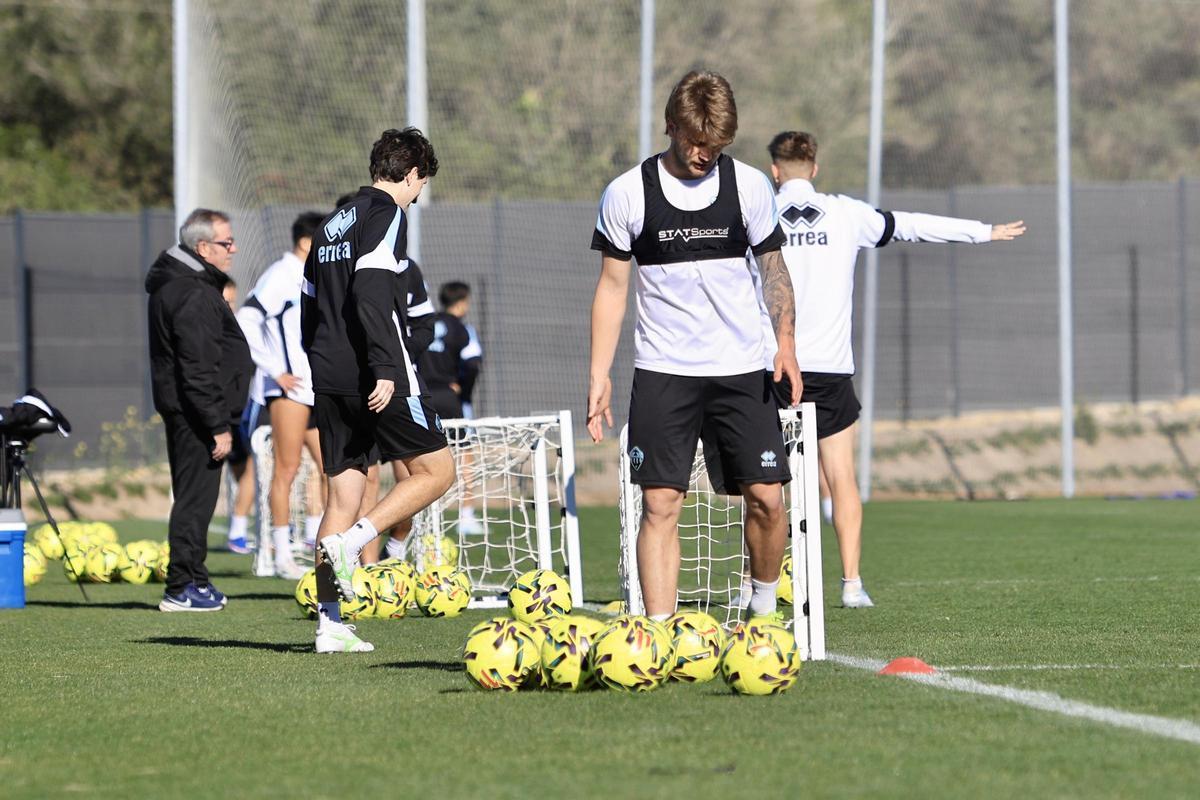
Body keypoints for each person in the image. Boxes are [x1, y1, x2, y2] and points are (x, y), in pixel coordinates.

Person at [765, 130, 1026, 608]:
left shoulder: (757, 214)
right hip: (830, 370)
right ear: (815, 168)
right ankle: (851, 585)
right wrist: (982, 231)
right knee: (841, 476)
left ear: (775, 171)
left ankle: (756, 587)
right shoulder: (846, 214)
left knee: (765, 484)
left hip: (774, 368)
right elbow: (911, 224)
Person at [587, 70, 801, 624]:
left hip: (743, 367)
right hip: (664, 369)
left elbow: (775, 270)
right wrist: (599, 374)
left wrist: (786, 344)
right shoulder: (628, 193)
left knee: (767, 499)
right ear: (671, 126)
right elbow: (612, 288)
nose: (705, 154)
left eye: (717, 145)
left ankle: (760, 605)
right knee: (660, 504)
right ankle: (658, 634)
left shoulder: (749, 186)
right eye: (696, 141)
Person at [301, 128, 455, 653]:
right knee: (438, 472)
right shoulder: (387, 214)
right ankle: (355, 544)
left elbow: (310, 305)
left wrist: (322, 361)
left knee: (343, 493)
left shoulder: (329, 224)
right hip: (376, 372)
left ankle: (330, 625)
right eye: (421, 184)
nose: (417, 194)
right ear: (411, 174)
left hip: (329, 374)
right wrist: (386, 365)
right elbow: (371, 292)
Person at [146, 208, 253, 612]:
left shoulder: (189, 285)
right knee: (194, 499)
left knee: (199, 498)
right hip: (196, 414)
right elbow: (197, 367)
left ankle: (197, 578)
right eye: (227, 243)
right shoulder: (190, 291)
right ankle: (180, 587)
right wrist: (217, 424)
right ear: (203, 247)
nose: (234, 249)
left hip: (194, 411)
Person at [237, 211, 327, 579]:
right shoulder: (281, 274)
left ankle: (323, 548)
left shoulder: (314, 277)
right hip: (289, 392)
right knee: (286, 470)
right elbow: (246, 316)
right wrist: (275, 370)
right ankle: (280, 554)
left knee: (330, 469)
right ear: (307, 242)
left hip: (316, 389)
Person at [418, 280, 483, 534]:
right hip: (449, 396)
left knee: (423, 455)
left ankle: (424, 516)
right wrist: (463, 392)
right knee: (464, 454)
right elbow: (473, 363)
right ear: (463, 302)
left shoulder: (423, 324)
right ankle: (466, 515)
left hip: (422, 397)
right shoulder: (463, 329)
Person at [221, 278, 256, 555]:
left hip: (237, 415)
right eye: (225, 301)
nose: (230, 307)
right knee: (243, 472)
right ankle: (238, 531)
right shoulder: (212, 332)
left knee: (246, 471)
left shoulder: (239, 327)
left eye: (233, 301)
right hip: (222, 416)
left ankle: (238, 531)